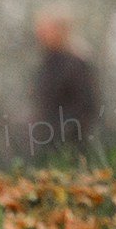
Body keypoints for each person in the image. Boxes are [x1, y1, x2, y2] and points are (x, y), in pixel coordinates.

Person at [29, 11, 99, 149]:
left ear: (61, 31)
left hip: (70, 140)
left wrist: (66, 131)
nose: (41, 35)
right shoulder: (46, 63)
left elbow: (87, 104)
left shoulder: (75, 64)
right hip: (45, 138)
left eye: (47, 30)